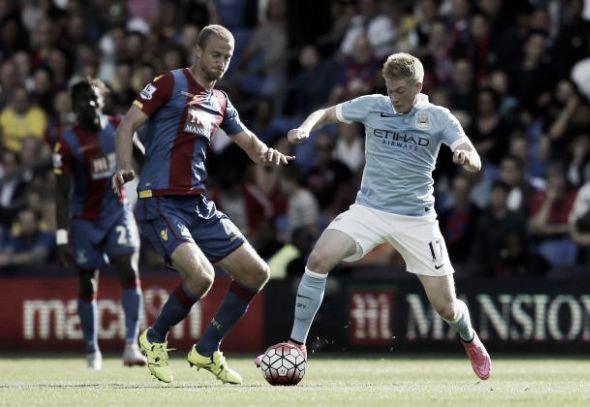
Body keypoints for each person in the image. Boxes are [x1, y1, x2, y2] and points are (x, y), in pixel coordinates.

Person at [258, 52, 492, 380]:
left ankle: (470, 339)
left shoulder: (438, 118)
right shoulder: (373, 105)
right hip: (369, 210)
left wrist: (466, 158)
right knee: (319, 258)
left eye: (400, 90)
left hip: (417, 219)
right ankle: (297, 344)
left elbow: (475, 158)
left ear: (418, 86)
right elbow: (325, 113)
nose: (393, 97)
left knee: (446, 307)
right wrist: (305, 127)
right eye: (389, 89)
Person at [113, 24, 293, 385]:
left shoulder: (221, 102)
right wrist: (123, 165)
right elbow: (127, 125)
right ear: (197, 51)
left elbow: (252, 146)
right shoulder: (169, 83)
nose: (221, 62)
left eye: (227, 57)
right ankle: (154, 337)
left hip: (196, 203)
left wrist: (269, 153)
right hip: (159, 199)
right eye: (216, 54)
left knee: (256, 272)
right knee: (202, 276)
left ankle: (207, 348)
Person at [53, 78, 146, 370]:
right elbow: (61, 192)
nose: (90, 104)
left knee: (128, 269)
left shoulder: (121, 127)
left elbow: (146, 158)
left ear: (101, 101)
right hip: (84, 221)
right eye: (83, 100)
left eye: (94, 98)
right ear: (74, 107)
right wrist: (61, 236)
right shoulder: (66, 143)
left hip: (116, 211)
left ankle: (132, 345)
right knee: (86, 281)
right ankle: (93, 351)